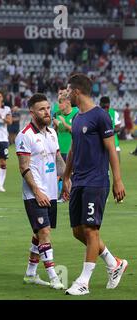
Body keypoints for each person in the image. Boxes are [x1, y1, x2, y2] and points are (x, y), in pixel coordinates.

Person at [62, 74, 127, 296]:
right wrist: (66, 176)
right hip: (79, 180)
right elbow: (72, 149)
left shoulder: (100, 116)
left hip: (96, 181)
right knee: (78, 231)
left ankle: (84, 282)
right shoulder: (77, 118)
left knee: (91, 230)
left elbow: (111, 150)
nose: (66, 94)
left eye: (68, 91)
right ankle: (114, 262)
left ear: (77, 92)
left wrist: (117, 180)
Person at [15, 93, 66, 290]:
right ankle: (54, 277)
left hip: (52, 192)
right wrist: (37, 191)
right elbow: (23, 167)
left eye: (48, 108)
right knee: (44, 232)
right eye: (42, 109)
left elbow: (57, 158)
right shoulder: (25, 135)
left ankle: (30, 273)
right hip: (34, 194)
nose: (47, 112)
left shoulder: (52, 133)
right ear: (32, 112)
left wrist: (67, 179)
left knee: (39, 233)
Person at [52, 89, 78, 201]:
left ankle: (72, 195)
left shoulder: (76, 112)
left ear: (68, 102)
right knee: (60, 174)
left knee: (72, 174)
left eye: (60, 102)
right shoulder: (57, 114)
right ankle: (63, 195)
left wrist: (64, 124)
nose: (59, 105)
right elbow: (57, 129)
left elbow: (75, 130)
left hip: (72, 148)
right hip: (60, 148)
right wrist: (57, 126)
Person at [99, 96, 121, 162]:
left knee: (116, 167)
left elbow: (118, 128)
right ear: (100, 105)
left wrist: (109, 131)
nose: (105, 109)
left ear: (109, 105)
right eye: (103, 107)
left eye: (107, 107)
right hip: (100, 145)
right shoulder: (96, 114)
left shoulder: (114, 113)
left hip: (114, 144)